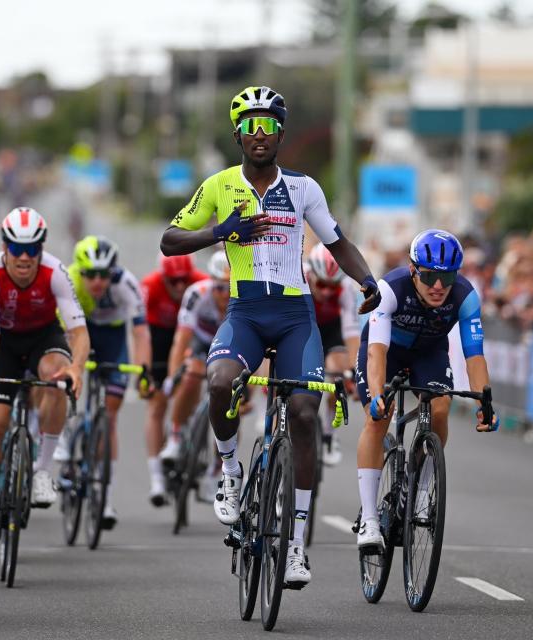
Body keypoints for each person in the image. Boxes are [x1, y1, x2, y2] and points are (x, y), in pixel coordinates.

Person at [160, 85, 381, 587]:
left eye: (269, 126)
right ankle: (231, 475)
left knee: (304, 414)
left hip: (296, 315)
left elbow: (339, 243)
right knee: (218, 383)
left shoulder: (304, 188)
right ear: (238, 133)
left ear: (280, 132)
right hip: (246, 312)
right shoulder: (218, 185)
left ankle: (298, 547)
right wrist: (220, 232)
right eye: (250, 126)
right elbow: (170, 239)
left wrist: (367, 282)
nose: (260, 135)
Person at [354, 229, 499, 552]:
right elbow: (377, 351)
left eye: (446, 278)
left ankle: (420, 491)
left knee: (440, 409)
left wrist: (484, 403)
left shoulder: (465, 296)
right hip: (386, 351)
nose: (438, 287)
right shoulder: (390, 289)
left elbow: (474, 355)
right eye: (430, 276)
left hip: (428, 353)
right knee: (378, 419)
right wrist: (377, 394)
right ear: (413, 270)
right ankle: (369, 519)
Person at [0, 208, 89, 540]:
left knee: (56, 375)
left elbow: (78, 331)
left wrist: (76, 369)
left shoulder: (55, 271)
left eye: (33, 249)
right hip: (3, 342)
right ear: (4, 246)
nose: (24, 257)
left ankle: (42, 471)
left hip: (42, 338)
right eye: (17, 248)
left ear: (42, 248)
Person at [67, 235, 153, 528]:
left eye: (104, 275)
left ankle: (106, 497)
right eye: (91, 274)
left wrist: (144, 371)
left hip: (114, 339)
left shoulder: (126, 284)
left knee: (111, 415)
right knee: (66, 383)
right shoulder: (70, 281)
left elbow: (140, 332)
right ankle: (67, 435)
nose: (97, 282)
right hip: (81, 332)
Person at [140, 253, 207, 506]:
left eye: (184, 280)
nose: (180, 286)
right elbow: (141, 334)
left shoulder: (202, 283)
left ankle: (187, 427)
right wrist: (144, 371)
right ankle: (156, 478)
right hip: (159, 336)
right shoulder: (150, 286)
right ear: (163, 277)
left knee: (192, 377)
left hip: (190, 334)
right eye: (173, 281)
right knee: (157, 403)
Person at [165, 250, 232, 502]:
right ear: (209, 282)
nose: (223, 294)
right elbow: (181, 339)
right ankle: (175, 435)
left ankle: (218, 469)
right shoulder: (197, 294)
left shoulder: (243, 299)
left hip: (229, 345)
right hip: (201, 342)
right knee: (191, 372)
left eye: (229, 288)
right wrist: (172, 378)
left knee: (233, 404)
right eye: (218, 287)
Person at [303, 243, 362, 466]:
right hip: (305, 325)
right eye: (322, 285)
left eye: (332, 287)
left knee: (339, 370)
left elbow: (351, 331)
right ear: (311, 276)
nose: (327, 292)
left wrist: (355, 372)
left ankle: (329, 434)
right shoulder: (300, 276)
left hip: (332, 329)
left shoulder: (345, 287)